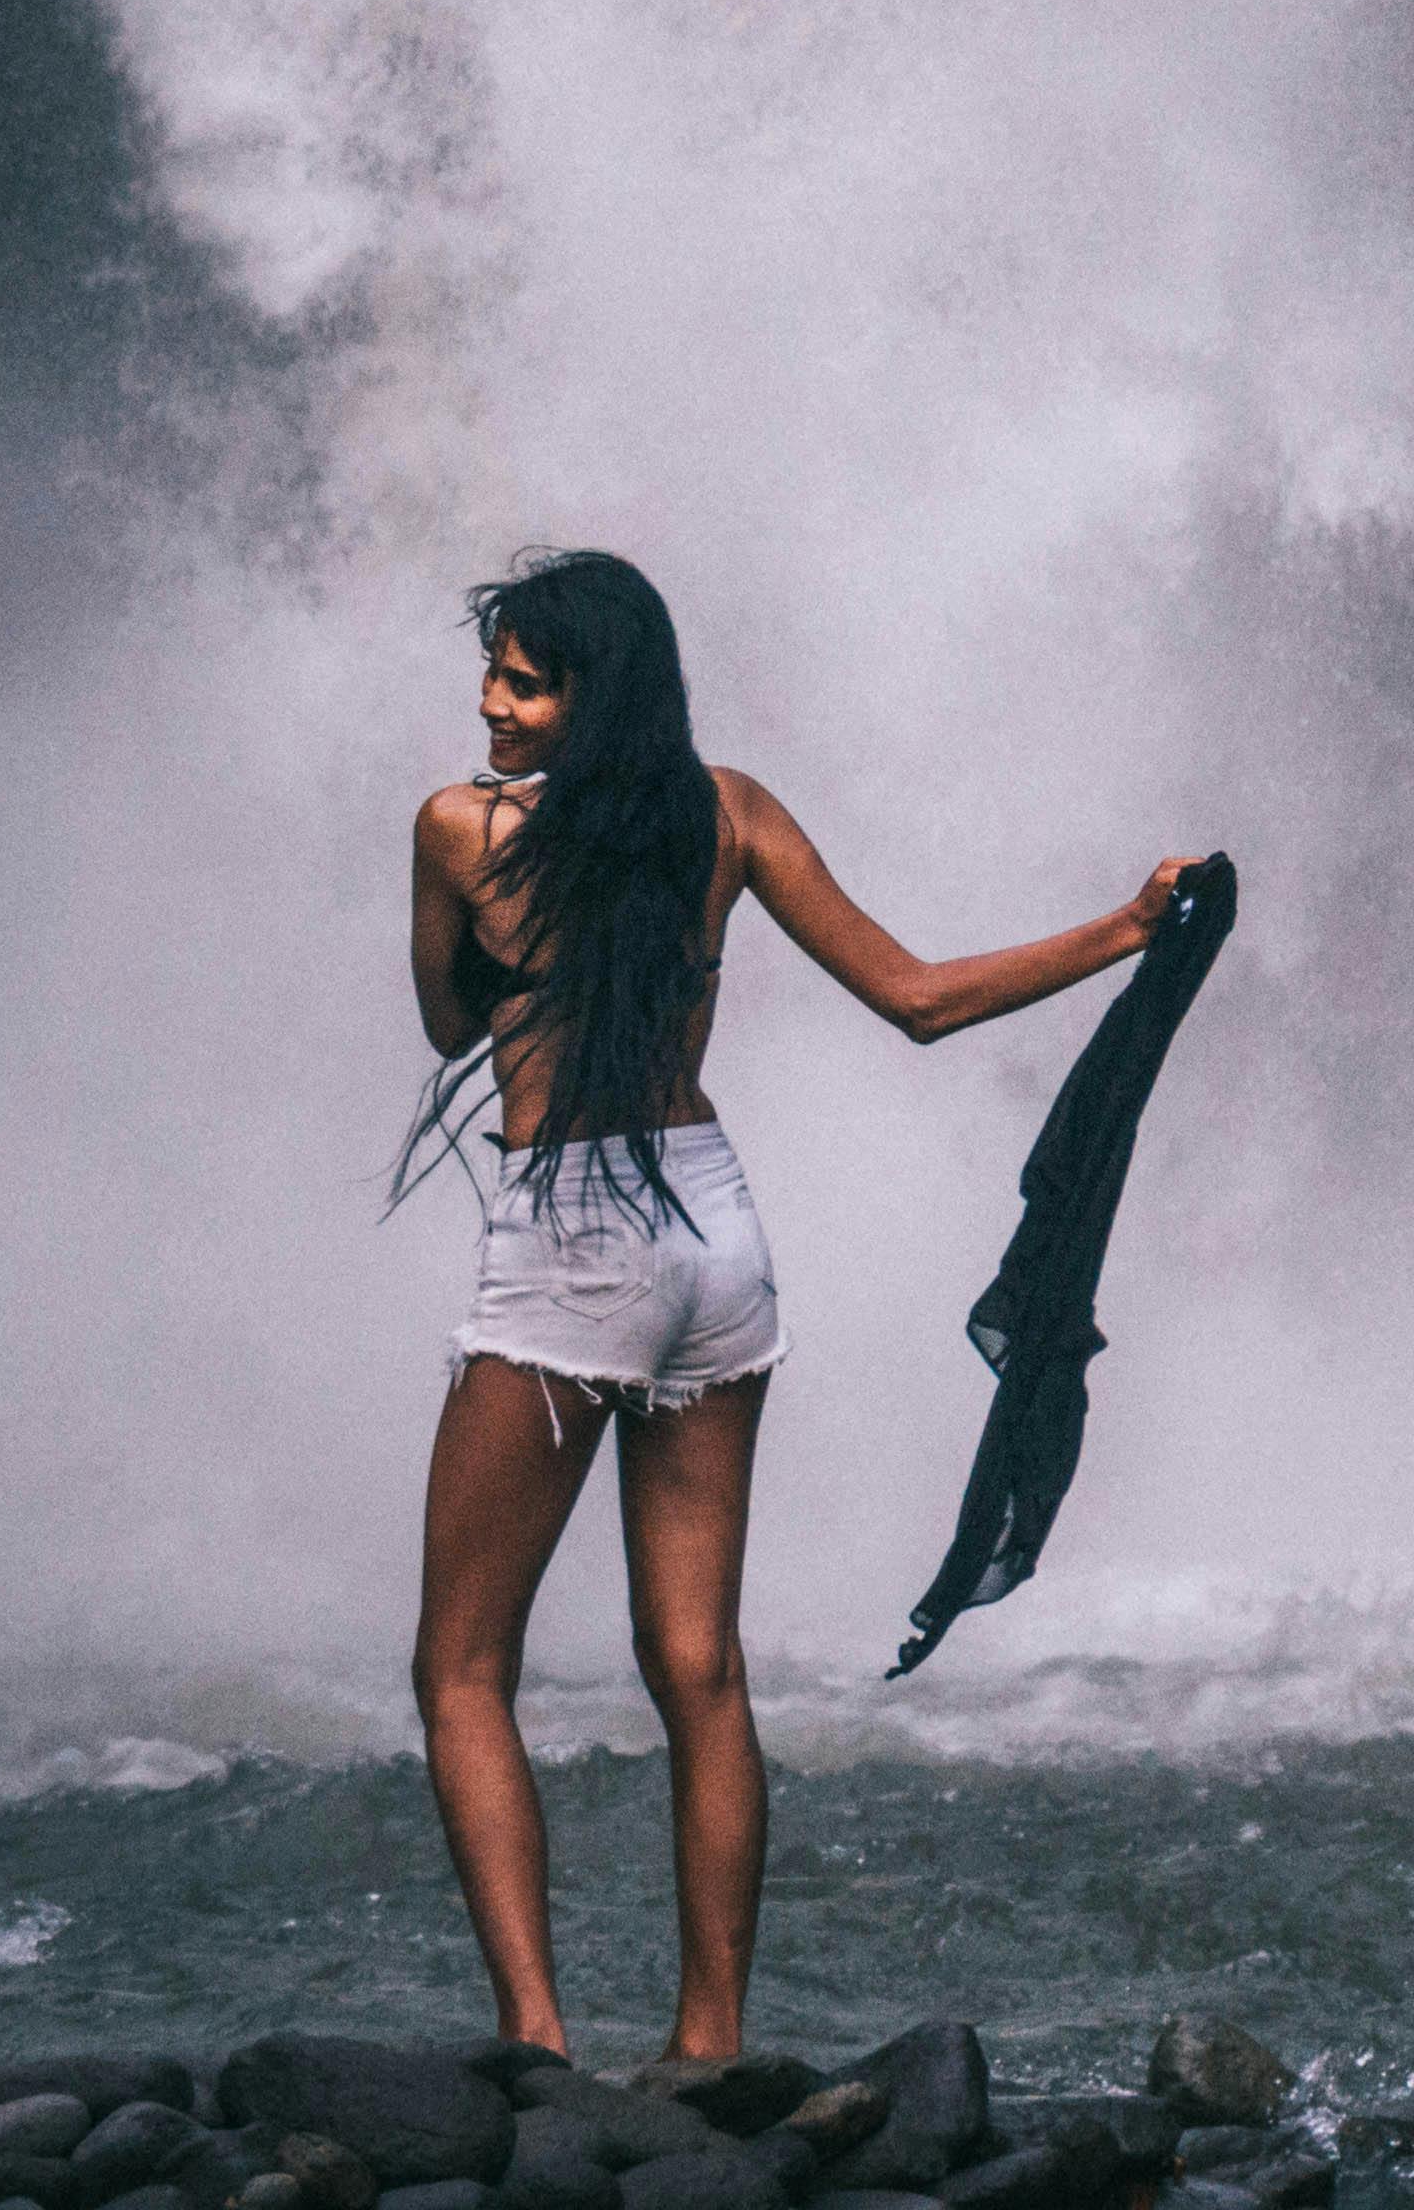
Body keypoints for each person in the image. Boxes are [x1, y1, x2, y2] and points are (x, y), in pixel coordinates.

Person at [403, 544, 1201, 2061]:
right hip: (714, 1225)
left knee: (459, 1666)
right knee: (699, 1667)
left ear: (593, 694)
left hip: (573, 1227)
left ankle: (537, 2044)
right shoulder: (730, 810)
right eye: (493, 673)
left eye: (523, 678)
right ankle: (710, 2049)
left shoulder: (462, 828)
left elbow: (449, 1022)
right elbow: (918, 1001)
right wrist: (1120, 926)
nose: (489, 703)